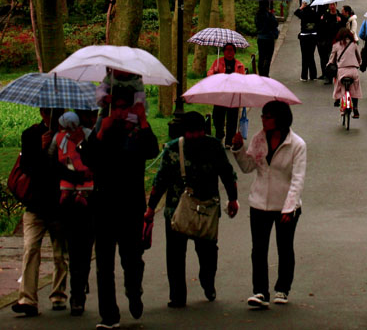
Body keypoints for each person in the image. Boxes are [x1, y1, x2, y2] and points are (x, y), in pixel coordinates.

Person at [79, 89, 159, 329]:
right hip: (103, 207)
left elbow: (152, 150)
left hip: (131, 207)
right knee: (104, 264)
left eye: (125, 107)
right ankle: (109, 315)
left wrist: (143, 120)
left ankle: (134, 291)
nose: (121, 113)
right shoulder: (102, 133)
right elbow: (87, 158)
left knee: (131, 259)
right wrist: (101, 131)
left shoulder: (137, 133)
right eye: (117, 108)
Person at [145, 111, 239, 308]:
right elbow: (160, 181)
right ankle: (177, 295)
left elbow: (227, 174)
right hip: (176, 209)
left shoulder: (214, 146)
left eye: (198, 131)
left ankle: (207, 280)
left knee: (208, 252)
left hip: (206, 208)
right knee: (175, 254)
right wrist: (151, 208)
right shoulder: (172, 149)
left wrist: (233, 199)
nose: (195, 135)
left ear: (204, 130)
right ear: (184, 132)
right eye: (191, 132)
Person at [231, 101, 307, 309]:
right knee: (258, 248)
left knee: (284, 247)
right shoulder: (258, 139)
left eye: (268, 116)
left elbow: (297, 179)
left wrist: (289, 208)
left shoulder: (297, 145)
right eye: (262, 116)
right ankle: (260, 291)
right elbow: (248, 166)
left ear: (280, 119)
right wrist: (238, 148)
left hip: (286, 205)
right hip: (259, 203)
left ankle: (283, 288)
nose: (263, 120)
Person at [12, 108, 68, 317]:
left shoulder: (67, 136)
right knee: (30, 250)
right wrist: (42, 149)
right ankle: (27, 299)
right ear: (42, 113)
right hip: (35, 204)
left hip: (59, 204)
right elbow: (27, 167)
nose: (51, 116)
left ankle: (58, 294)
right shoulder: (31, 134)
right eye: (48, 112)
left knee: (60, 254)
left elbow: (70, 167)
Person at [54, 112, 94, 317]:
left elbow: (95, 164)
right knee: (75, 249)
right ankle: (77, 290)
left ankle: (78, 289)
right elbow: (54, 165)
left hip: (86, 198)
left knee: (83, 249)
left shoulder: (90, 137)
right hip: (70, 199)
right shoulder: (58, 140)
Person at [207, 43, 246, 147]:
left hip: (233, 95)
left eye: (231, 50)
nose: (229, 52)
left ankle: (229, 141)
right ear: (223, 52)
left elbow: (243, 80)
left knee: (232, 120)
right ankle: (219, 135)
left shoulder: (239, 65)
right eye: (227, 50)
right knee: (217, 118)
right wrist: (214, 73)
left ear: (234, 52)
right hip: (220, 95)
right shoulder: (217, 62)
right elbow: (209, 74)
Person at [328, 28, 362, 117]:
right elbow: (359, 58)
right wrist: (358, 64)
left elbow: (331, 60)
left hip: (342, 71)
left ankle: (339, 102)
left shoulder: (336, 45)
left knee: (340, 85)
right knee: (355, 88)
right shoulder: (354, 44)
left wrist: (330, 65)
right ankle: (355, 108)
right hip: (353, 70)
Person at [316, 3, 344, 83]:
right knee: (323, 58)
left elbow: (343, 28)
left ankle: (331, 76)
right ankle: (324, 73)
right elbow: (320, 27)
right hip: (324, 40)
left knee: (331, 59)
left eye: (333, 5)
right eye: (330, 5)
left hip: (335, 41)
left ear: (336, 5)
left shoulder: (339, 16)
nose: (332, 6)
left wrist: (339, 22)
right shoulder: (325, 15)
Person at [294, 0, 319, 81]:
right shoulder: (314, 12)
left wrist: (301, 7)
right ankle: (313, 75)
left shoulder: (302, 13)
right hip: (313, 35)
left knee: (305, 55)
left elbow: (296, 12)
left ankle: (304, 76)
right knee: (311, 55)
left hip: (304, 36)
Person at [255, 2, 279, 77]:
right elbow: (275, 24)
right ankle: (266, 74)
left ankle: (261, 74)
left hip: (260, 38)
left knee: (261, 57)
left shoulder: (257, 15)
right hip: (269, 38)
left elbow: (257, 25)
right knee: (268, 57)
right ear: (267, 6)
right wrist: (271, 15)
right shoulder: (269, 15)